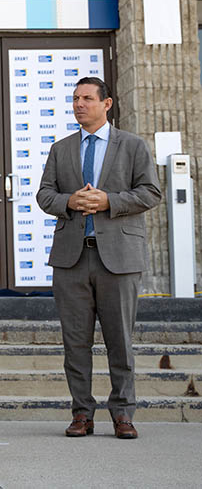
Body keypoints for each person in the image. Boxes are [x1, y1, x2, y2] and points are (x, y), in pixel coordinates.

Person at [37, 76, 161, 439]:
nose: (79, 104)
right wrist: (69, 202)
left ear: (107, 104)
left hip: (119, 259)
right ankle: (82, 414)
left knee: (120, 340)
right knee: (75, 343)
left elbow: (150, 192)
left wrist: (110, 201)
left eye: (87, 98)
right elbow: (45, 195)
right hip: (71, 260)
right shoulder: (61, 149)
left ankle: (122, 413)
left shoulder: (133, 146)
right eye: (75, 98)